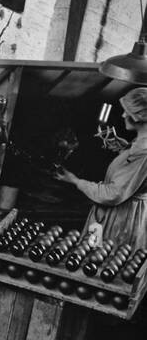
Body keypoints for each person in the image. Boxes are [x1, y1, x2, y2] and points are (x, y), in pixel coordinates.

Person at [57, 86, 147, 249]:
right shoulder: (139, 145)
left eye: (127, 111)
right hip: (127, 212)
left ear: (139, 115)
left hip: (122, 217)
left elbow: (113, 194)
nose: (123, 115)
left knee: (106, 263)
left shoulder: (142, 151)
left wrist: (75, 181)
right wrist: (124, 150)